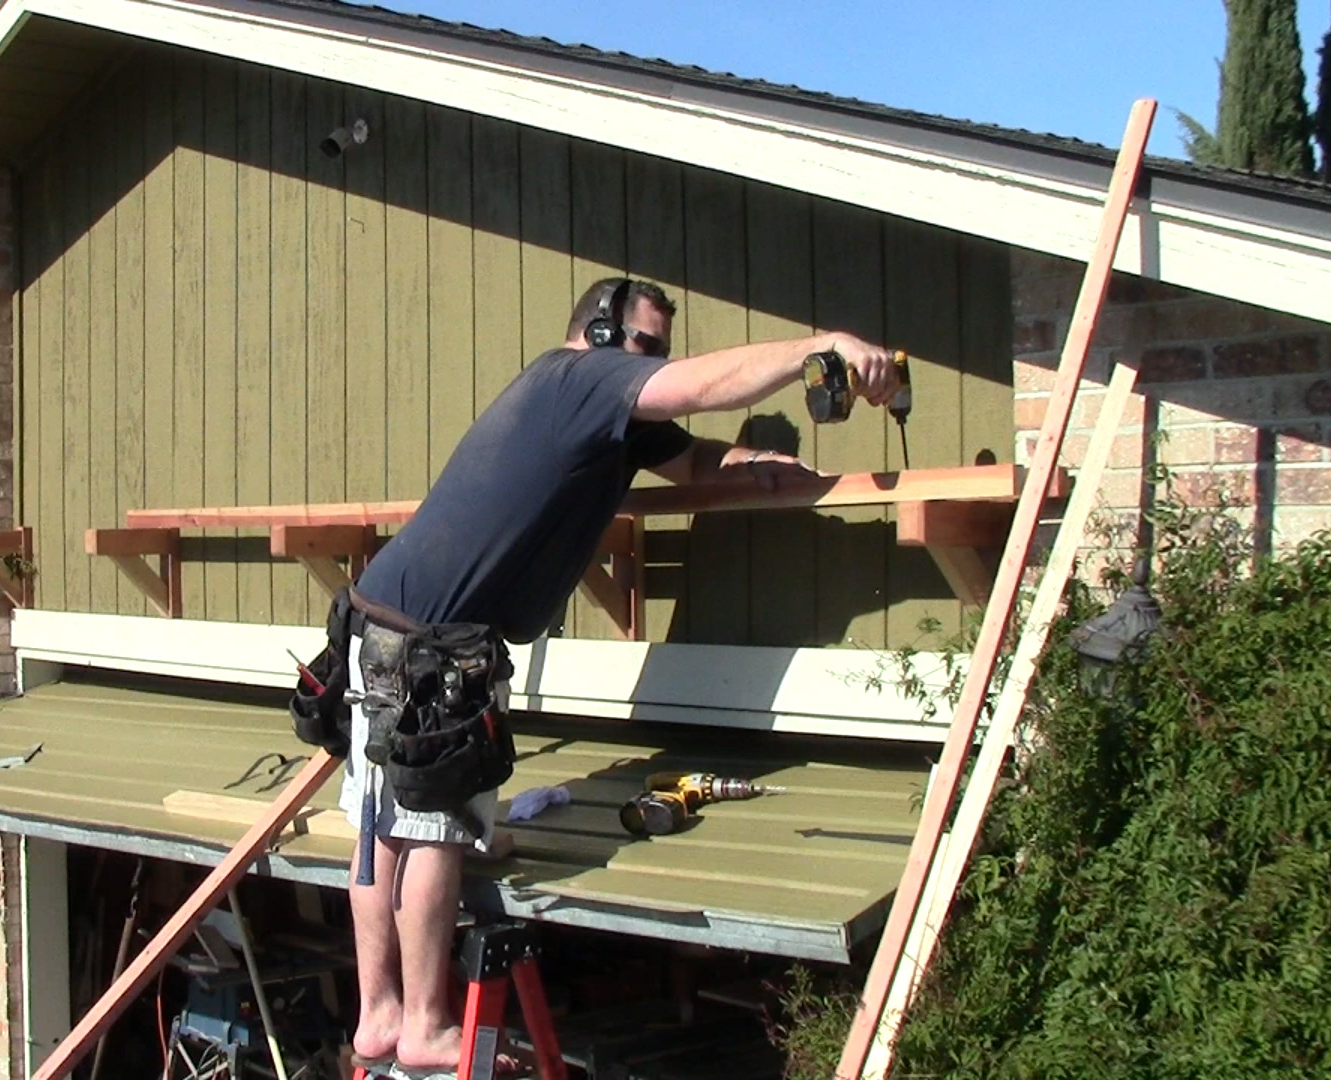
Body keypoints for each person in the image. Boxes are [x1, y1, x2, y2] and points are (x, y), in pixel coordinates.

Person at [328, 278, 902, 1078]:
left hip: (381, 617)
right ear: (598, 334)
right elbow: (695, 387)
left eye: (659, 350)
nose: (653, 364)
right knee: (430, 834)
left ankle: (377, 1014)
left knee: (378, 829)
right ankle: (423, 1023)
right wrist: (822, 345)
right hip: (434, 645)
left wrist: (748, 462)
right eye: (642, 346)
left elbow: (689, 455)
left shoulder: (610, 417)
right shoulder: (578, 380)